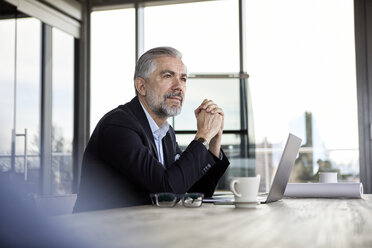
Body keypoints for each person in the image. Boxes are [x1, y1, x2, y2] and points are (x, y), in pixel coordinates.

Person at [73, 47, 230, 212]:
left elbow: (193, 193)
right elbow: (166, 190)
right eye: (168, 76)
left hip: (142, 229)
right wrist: (202, 136)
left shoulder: (166, 132)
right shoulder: (118, 126)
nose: (179, 87)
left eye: (183, 79)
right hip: (97, 232)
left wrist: (212, 143)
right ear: (141, 86)